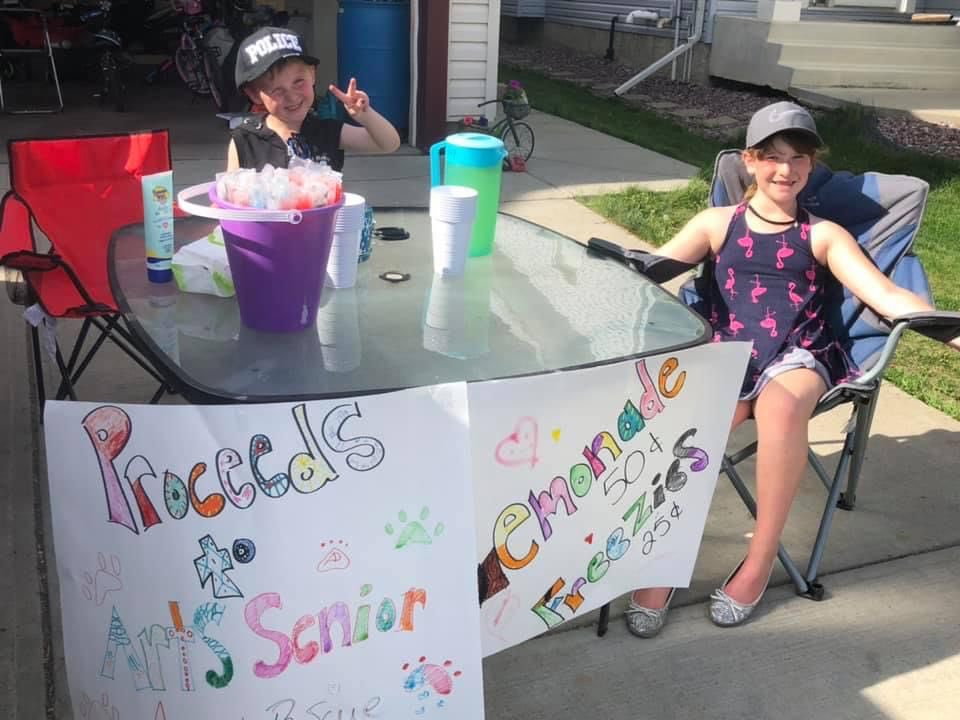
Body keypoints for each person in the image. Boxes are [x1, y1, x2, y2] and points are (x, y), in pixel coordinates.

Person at [625, 101, 960, 637]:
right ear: (750, 162)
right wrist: (603, 270)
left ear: (811, 164)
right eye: (773, 157)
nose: (786, 169)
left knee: (781, 407)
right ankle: (663, 555)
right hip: (730, 352)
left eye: (799, 157)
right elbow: (654, 268)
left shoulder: (823, 234)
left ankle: (758, 564)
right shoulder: (718, 223)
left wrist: (952, 331)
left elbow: (886, 295)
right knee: (699, 421)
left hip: (800, 354)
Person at [226, 26, 401, 172]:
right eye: (277, 90)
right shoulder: (246, 139)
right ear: (255, 94)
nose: (292, 96)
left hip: (324, 215)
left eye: (299, 82)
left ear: (313, 75)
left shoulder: (327, 131)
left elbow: (388, 144)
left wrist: (365, 116)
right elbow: (229, 195)